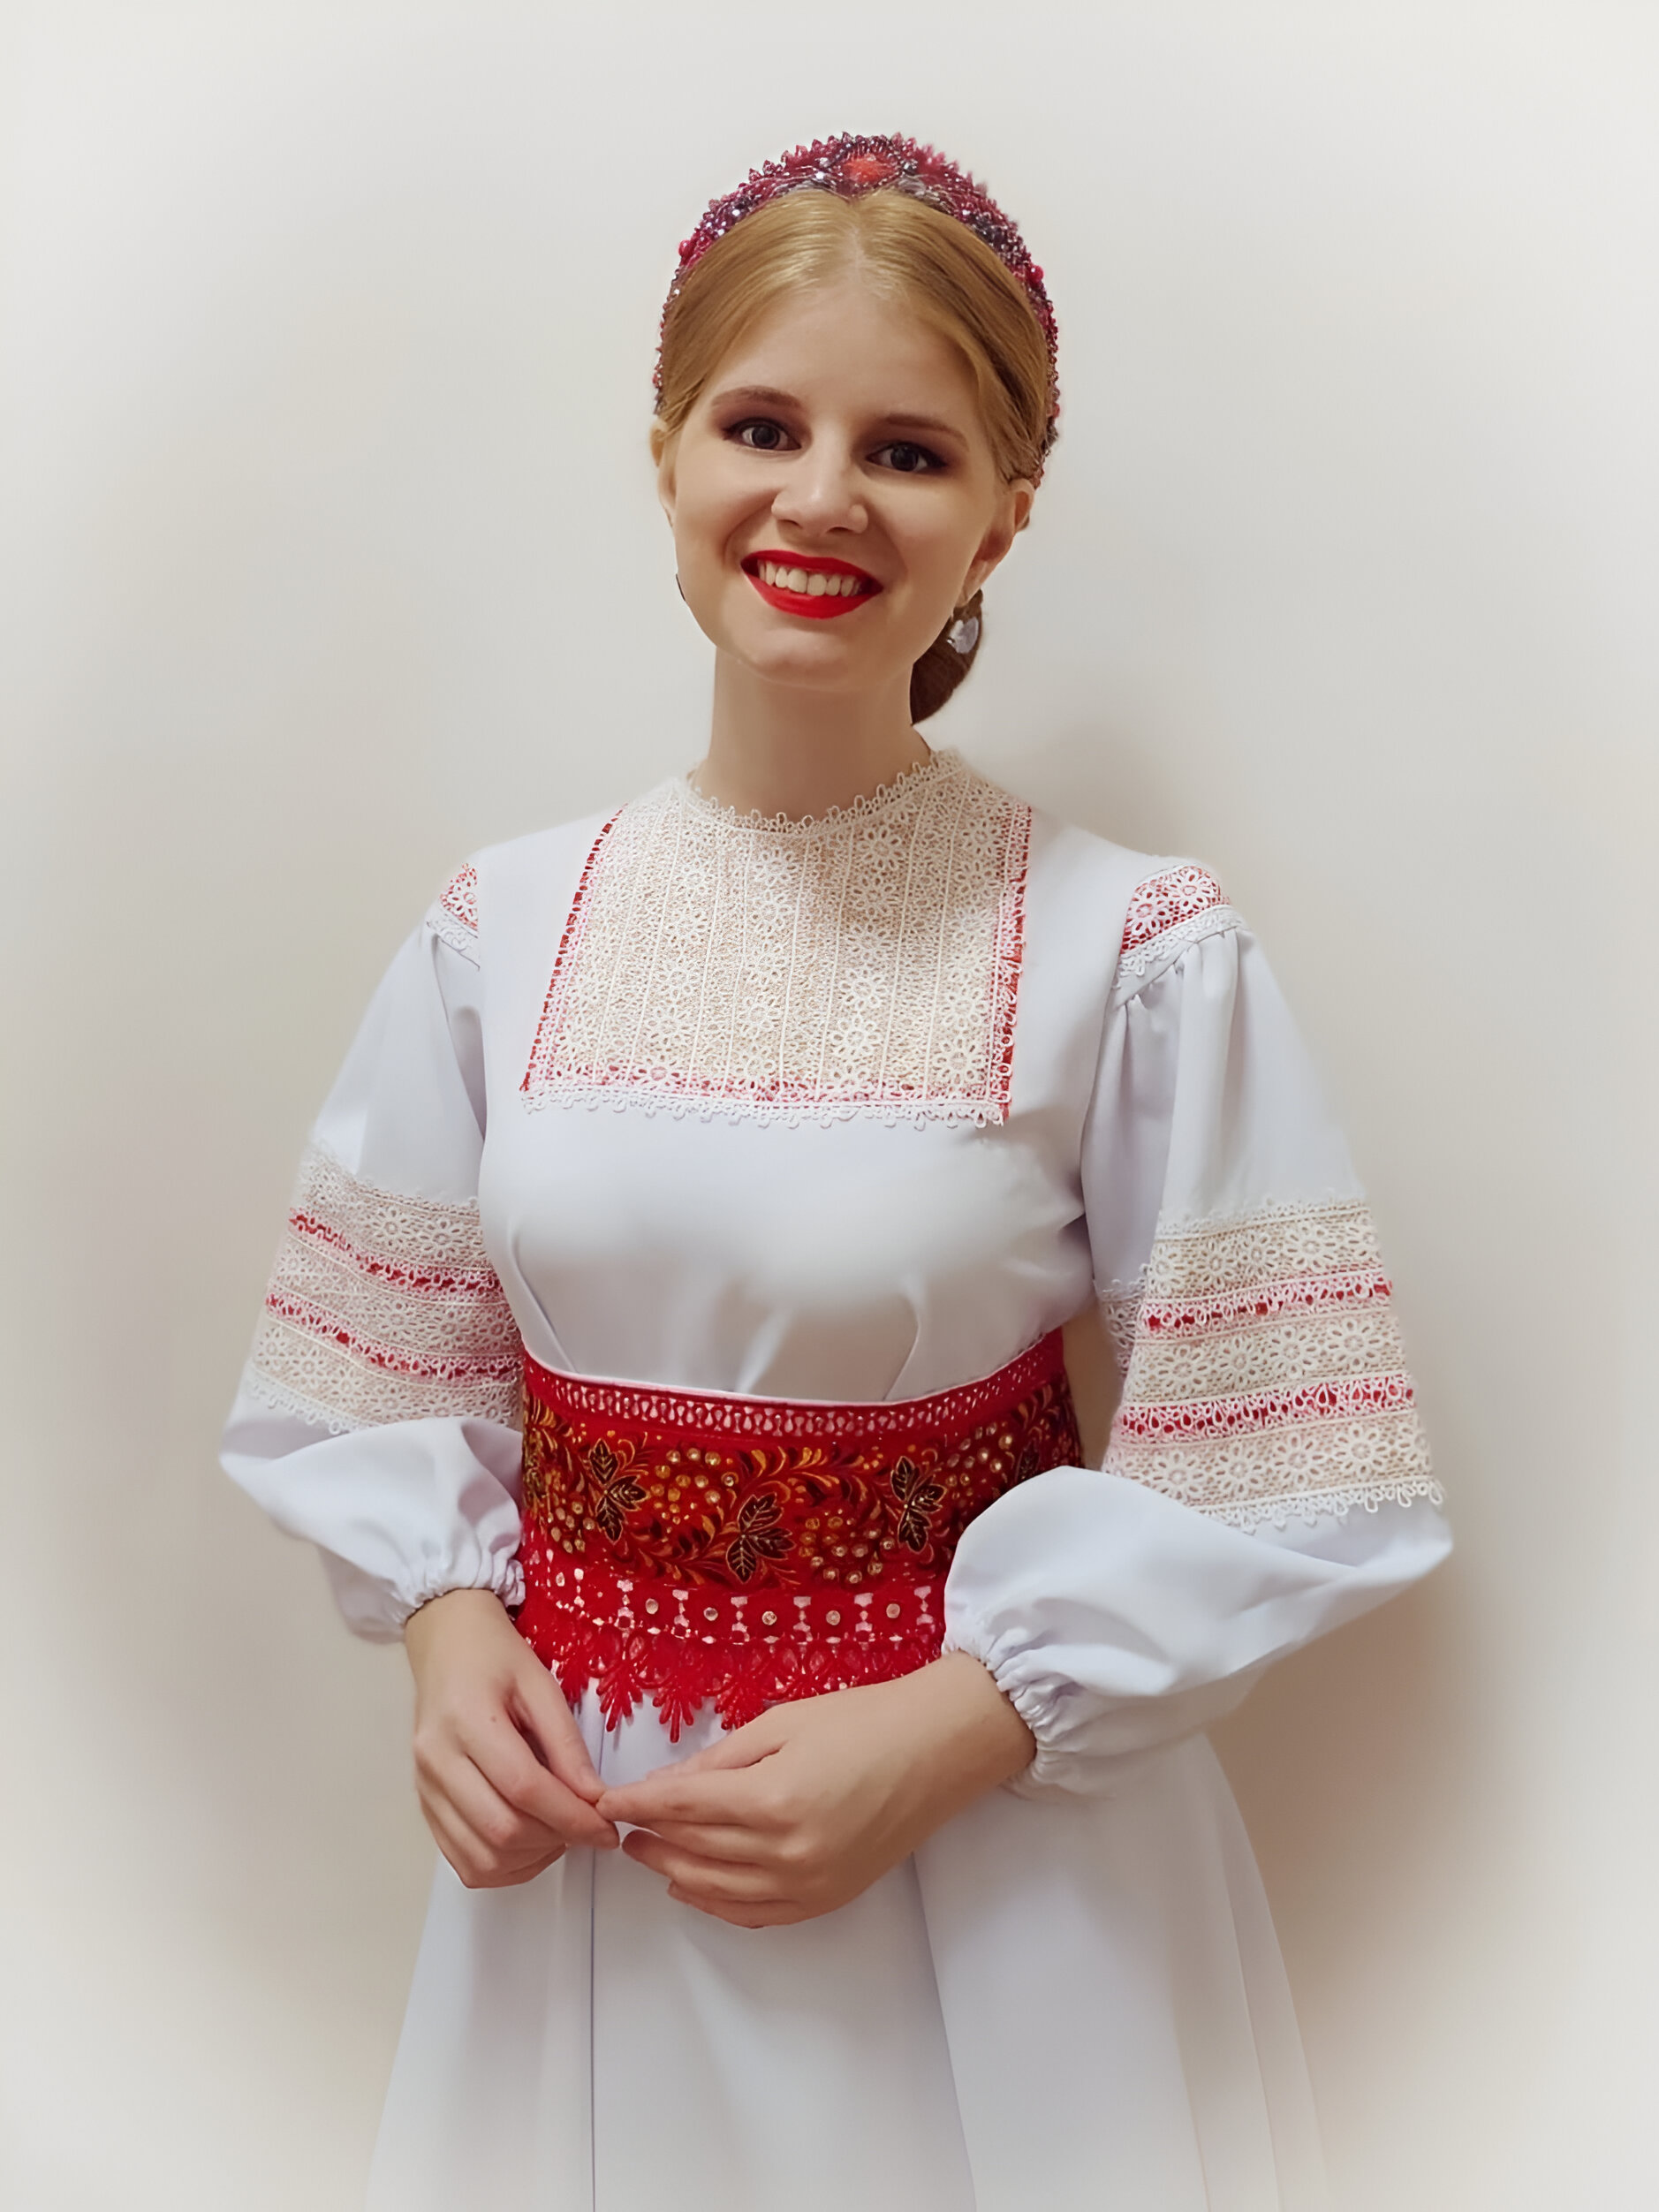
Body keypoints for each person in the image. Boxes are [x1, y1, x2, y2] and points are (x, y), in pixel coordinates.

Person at [223, 133, 1451, 2211]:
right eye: (762, 426)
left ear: (1002, 517)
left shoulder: (1133, 944)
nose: (820, 499)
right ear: (666, 457)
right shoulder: (499, 928)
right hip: (586, 1856)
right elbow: (378, 1381)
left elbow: (1289, 1462)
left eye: (908, 451)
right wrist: (449, 1639)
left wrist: (963, 1724)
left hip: (997, 1873)